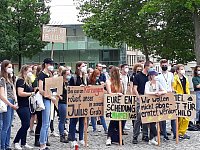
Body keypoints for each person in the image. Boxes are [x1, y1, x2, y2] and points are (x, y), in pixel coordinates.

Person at [132, 61, 154, 144]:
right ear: (146, 67)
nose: (151, 68)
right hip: (140, 96)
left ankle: (145, 135)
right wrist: (138, 98)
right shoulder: (137, 76)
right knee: (138, 117)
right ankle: (135, 136)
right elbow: (135, 88)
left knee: (146, 117)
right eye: (151, 67)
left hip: (148, 97)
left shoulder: (150, 76)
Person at [13, 65, 34, 150]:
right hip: (21, 105)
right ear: (24, 71)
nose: (31, 72)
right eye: (29, 71)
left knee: (25, 124)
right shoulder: (21, 81)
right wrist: (31, 94)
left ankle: (24, 142)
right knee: (26, 124)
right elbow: (20, 93)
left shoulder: (27, 80)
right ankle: (16, 141)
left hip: (27, 104)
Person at [144, 68, 167, 145]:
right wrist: (154, 93)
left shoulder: (158, 83)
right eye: (153, 75)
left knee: (155, 120)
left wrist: (160, 93)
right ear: (150, 76)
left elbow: (165, 90)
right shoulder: (147, 83)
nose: (155, 76)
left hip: (157, 104)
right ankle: (155, 135)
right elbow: (146, 92)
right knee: (151, 121)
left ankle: (152, 138)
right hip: (149, 104)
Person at [68, 61, 88, 148]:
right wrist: (78, 88)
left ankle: (81, 138)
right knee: (73, 121)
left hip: (83, 102)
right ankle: (72, 139)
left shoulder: (85, 77)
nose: (84, 67)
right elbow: (70, 89)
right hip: (75, 102)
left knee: (82, 121)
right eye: (83, 66)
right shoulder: (74, 78)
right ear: (78, 67)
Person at [0, 60, 18, 150]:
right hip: (7, 103)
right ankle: (2, 146)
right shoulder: (2, 79)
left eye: (11, 67)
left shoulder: (10, 79)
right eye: (9, 67)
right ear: (4, 68)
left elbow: (13, 90)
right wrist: (10, 105)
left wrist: (15, 101)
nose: (11, 69)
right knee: (5, 126)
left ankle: (7, 145)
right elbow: (2, 95)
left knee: (9, 125)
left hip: (12, 102)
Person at [38, 58, 56, 150]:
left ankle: (44, 141)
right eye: (50, 64)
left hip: (50, 99)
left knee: (48, 122)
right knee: (45, 123)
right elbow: (41, 90)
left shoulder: (50, 74)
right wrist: (50, 96)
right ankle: (42, 144)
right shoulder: (41, 75)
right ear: (46, 64)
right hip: (45, 99)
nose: (51, 66)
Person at [157, 59, 176, 140]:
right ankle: (164, 134)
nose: (165, 66)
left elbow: (172, 84)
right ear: (161, 66)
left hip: (170, 95)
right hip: (162, 96)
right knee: (163, 116)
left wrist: (172, 90)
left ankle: (175, 133)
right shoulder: (158, 75)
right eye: (163, 65)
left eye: (166, 65)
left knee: (173, 115)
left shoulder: (171, 74)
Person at [106, 66, 123, 146]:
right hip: (112, 103)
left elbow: (123, 91)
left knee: (119, 120)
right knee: (113, 120)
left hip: (119, 103)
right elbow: (109, 93)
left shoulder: (120, 82)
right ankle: (109, 137)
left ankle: (116, 137)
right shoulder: (108, 81)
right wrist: (117, 94)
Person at [173, 64, 190, 140]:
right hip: (178, 98)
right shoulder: (175, 78)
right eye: (181, 69)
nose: (183, 70)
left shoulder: (185, 78)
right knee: (179, 117)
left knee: (186, 117)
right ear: (177, 70)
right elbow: (173, 88)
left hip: (185, 98)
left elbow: (187, 88)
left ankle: (182, 132)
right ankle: (178, 133)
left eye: (183, 69)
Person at [88, 69, 107, 135]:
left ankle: (105, 129)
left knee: (101, 115)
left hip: (98, 99)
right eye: (97, 75)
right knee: (93, 115)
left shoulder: (98, 80)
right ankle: (94, 128)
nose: (98, 77)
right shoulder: (90, 80)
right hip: (92, 99)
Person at [57, 68, 71, 143]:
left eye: (69, 74)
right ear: (64, 74)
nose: (69, 75)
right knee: (62, 120)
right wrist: (59, 96)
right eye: (67, 74)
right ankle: (62, 135)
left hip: (68, 102)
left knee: (67, 120)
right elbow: (55, 90)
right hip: (62, 102)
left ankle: (68, 134)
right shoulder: (60, 82)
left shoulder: (68, 82)